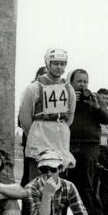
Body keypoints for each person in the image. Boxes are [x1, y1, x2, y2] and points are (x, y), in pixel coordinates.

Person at [21, 149, 107, 215]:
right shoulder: (31, 188)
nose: (48, 173)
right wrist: (46, 195)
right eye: (44, 169)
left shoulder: (68, 186)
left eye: (52, 169)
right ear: (39, 170)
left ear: (60, 169)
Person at [18, 47, 76, 184]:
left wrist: (59, 128)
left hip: (59, 135)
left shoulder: (69, 89)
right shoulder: (34, 88)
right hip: (40, 134)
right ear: (48, 64)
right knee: (37, 178)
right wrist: (34, 132)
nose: (59, 67)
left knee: (58, 177)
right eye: (55, 63)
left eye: (62, 64)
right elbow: (25, 118)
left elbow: (70, 115)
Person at [68, 69, 108, 215]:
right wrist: (71, 99)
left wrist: (96, 107)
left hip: (90, 146)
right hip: (69, 145)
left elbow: (107, 118)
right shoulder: (66, 96)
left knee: (88, 184)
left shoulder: (94, 98)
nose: (82, 84)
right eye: (79, 81)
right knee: (66, 183)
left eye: (85, 81)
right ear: (71, 82)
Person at [95, 87, 108, 215]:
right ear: (97, 98)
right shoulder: (93, 111)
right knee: (94, 183)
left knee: (107, 184)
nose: (105, 100)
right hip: (95, 148)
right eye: (103, 97)